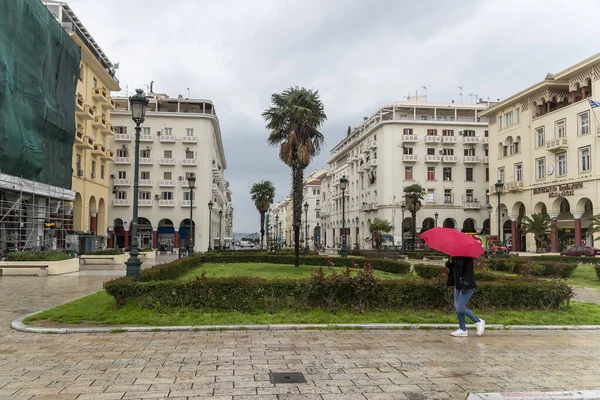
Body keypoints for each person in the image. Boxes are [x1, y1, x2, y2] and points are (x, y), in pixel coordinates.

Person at [445, 257, 485, 337]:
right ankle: (462, 329)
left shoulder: (468, 258)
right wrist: (450, 265)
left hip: (467, 285)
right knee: (457, 307)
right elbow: (457, 270)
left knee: (460, 307)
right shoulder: (455, 257)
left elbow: (469, 273)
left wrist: (465, 285)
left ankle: (478, 321)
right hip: (458, 285)